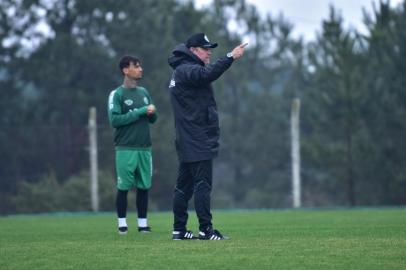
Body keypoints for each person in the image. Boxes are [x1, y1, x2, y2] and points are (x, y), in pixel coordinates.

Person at [167, 33, 247, 240]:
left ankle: (179, 230)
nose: (209, 51)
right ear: (193, 50)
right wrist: (230, 56)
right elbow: (207, 74)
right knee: (202, 184)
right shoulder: (187, 70)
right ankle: (206, 230)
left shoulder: (182, 70)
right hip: (197, 138)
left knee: (183, 186)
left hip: (188, 138)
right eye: (205, 48)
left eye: (210, 48)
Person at [107, 55, 158, 235]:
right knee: (124, 187)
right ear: (125, 70)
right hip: (125, 148)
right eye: (136, 66)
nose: (140, 69)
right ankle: (122, 224)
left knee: (144, 187)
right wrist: (140, 112)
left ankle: (143, 225)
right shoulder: (117, 94)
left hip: (144, 148)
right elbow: (114, 120)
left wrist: (152, 113)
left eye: (140, 66)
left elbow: (153, 120)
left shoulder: (144, 92)